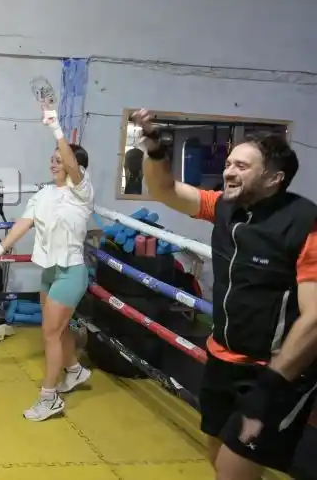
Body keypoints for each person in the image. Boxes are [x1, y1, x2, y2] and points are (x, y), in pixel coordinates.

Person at [132, 108, 317, 480]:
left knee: (232, 472)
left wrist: (273, 383)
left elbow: (314, 317)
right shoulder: (224, 206)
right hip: (222, 359)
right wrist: (154, 147)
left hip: (271, 371)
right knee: (217, 455)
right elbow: (165, 190)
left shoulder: (303, 224)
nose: (229, 171)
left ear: (274, 178)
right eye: (230, 163)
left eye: (242, 166)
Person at [0, 108, 94, 421]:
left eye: (60, 159)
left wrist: (56, 129)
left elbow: (72, 163)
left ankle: (49, 398)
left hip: (71, 273)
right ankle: (75, 370)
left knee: (50, 333)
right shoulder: (44, 193)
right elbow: (24, 222)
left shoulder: (82, 192)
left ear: (76, 167)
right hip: (50, 271)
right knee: (58, 329)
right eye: (52, 159)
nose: (54, 163)